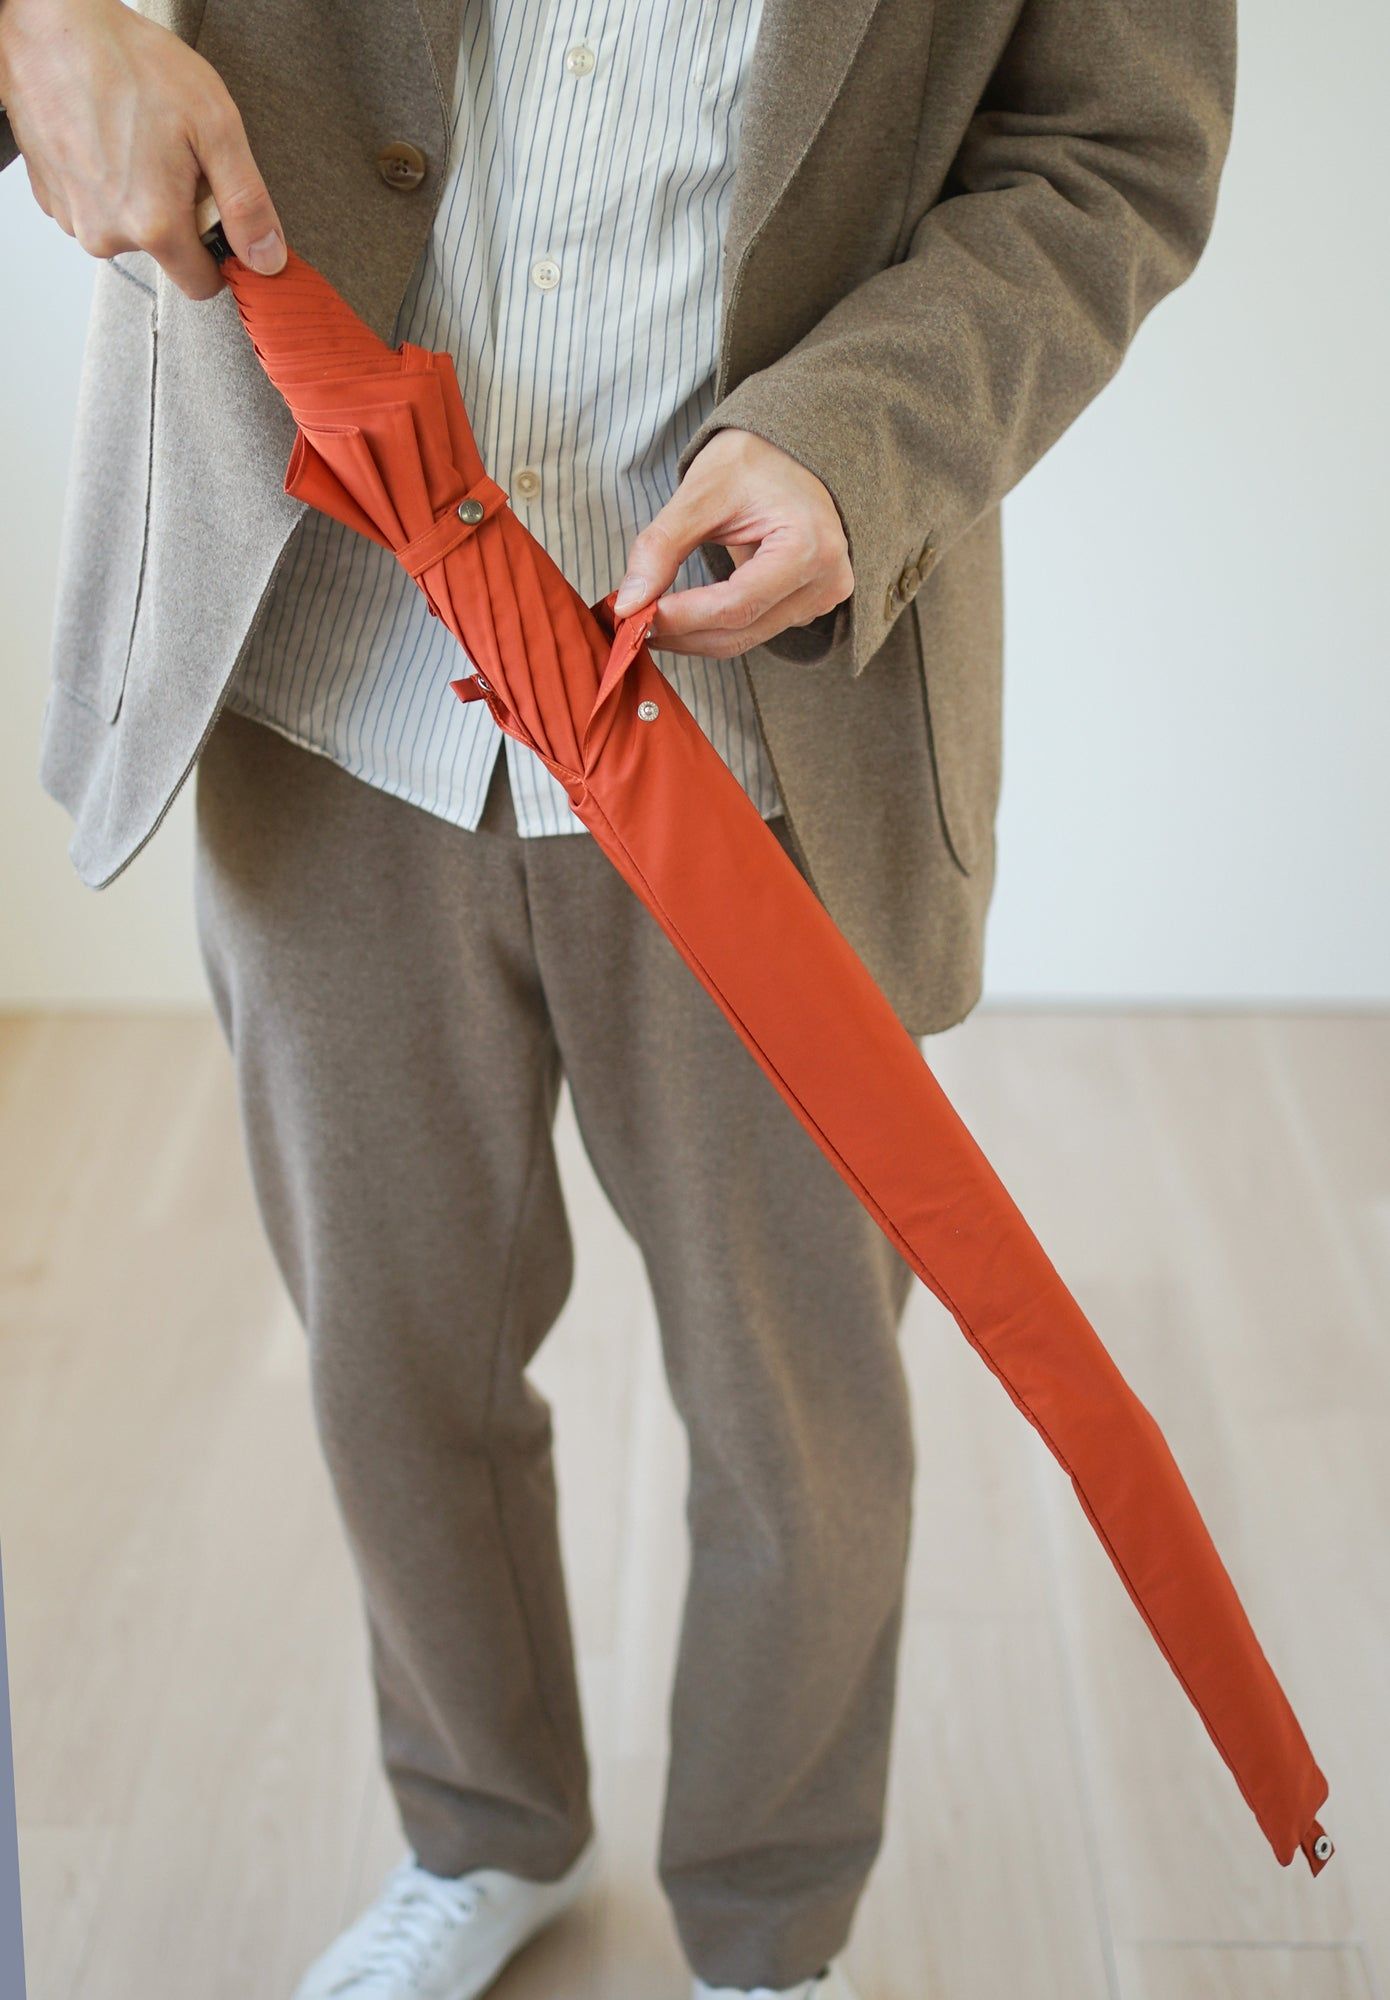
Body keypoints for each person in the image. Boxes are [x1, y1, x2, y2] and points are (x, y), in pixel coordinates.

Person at [0, 1, 1235, 1995]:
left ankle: (767, 1929)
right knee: (391, 1359)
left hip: (767, 732)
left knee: (793, 1408)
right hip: (321, 660)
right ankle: (481, 1830)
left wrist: (855, 440)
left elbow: (1113, 148)